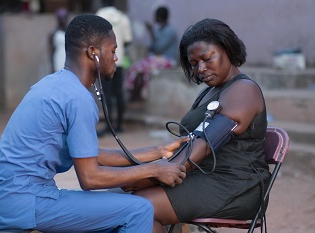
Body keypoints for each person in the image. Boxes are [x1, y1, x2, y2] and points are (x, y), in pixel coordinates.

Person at [0, 14, 186, 233]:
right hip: (26, 202)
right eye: (113, 50)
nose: (116, 58)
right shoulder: (78, 98)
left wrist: (156, 151)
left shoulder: (56, 84)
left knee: (120, 199)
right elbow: (90, 177)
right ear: (93, 53)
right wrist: (153, 170)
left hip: (5, 200)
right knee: (140, 210)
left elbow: (89, 154)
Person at [131, 18, 272, 233]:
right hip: (203, 176)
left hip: (235, 186)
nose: (201, 69)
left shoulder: (243, 90)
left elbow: (203, 144)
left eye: (206, 58)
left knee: (137, 207)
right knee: (128, 202)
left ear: (227, 49)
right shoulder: (211, 90)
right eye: (194, 63)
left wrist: (148, 175)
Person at [125, 6, 178, 102]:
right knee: (136, 67)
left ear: (160, 17)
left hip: (168, 60)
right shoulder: (159, 30)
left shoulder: (170, 31)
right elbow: (152, 48)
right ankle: (134, 95)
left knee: (144, 68)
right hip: (157, 58)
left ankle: (138, 97)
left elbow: (158, 48)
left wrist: (150, 32)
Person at [96, 0, 133, 135]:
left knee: (107, 94)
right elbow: (128, 40)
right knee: (119, 94)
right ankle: (119, 125)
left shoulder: (99, 16)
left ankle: (108, 126)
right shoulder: (123, 18)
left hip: (105, 62)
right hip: (120, 60)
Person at [49, 8, 69, 72]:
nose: (63, 20)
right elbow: (51, 51)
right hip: (59, 58)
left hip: (69, 59)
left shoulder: (70, 31)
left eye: (64, 17)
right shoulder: (53, 33)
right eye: (61, 18)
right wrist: (52, 66)